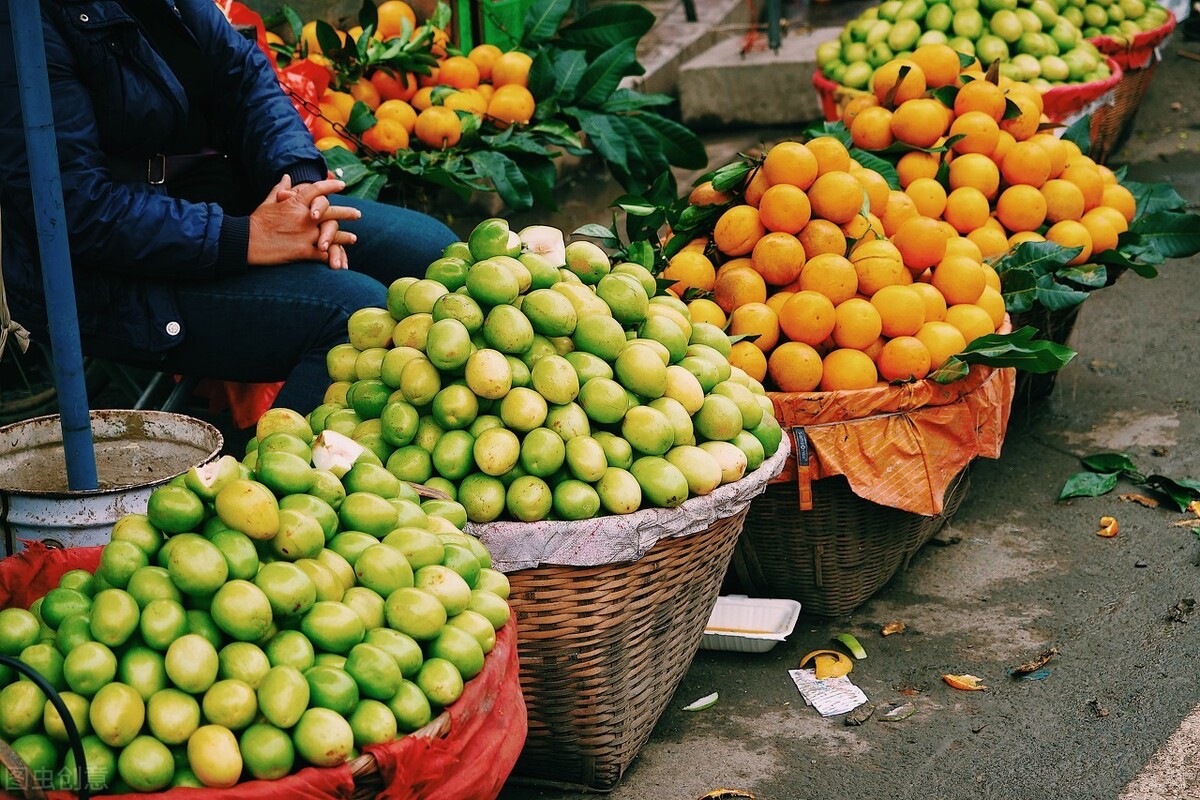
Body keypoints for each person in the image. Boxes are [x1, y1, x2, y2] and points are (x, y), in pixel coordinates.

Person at [0, 0, 457, 418]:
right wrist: (243, 238)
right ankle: (277, 494)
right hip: (113, 274)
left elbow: (247, 80)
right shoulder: (26, 21)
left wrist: (298, 183)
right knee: (356, 315)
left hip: (232, 208)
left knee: (435, 254)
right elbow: (73, 208)